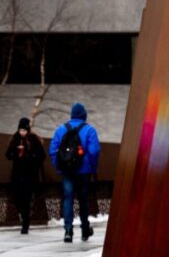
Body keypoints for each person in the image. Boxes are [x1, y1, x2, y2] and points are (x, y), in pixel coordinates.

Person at [49, 103, 100, 243]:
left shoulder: (61, 129)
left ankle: (68, 231)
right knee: (83, 200)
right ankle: (84, 230)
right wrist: (93, 168)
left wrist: (59, 167)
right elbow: (94, 151)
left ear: (71, 115)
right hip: (84, 172)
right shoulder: (89, 130)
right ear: (84, 115)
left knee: (68, 199)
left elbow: (52, 151)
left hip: (67, 172)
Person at [5, 118, 46, 234]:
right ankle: (23, 215)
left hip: (29, 174)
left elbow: (41, 156)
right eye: (20, 130)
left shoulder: (34, 139)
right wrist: (15, 154)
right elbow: (8, 155)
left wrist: (29, 156)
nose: (22, 132)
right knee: (17, 198)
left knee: (26, 198)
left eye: (24, 130)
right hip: (17, 174)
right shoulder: (15, 139)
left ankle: (25, 223)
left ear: (28, 130)